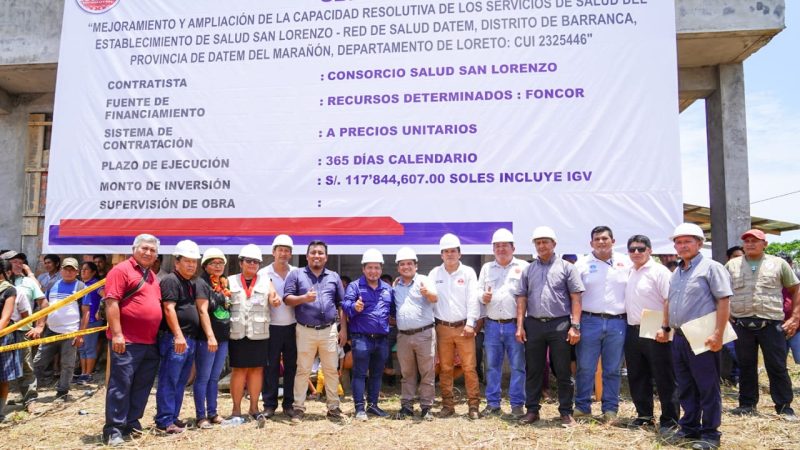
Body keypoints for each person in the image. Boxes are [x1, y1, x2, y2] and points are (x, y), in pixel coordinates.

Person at [664, 223, 732, 450]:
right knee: (685, 385)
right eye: (678, 242)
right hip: (680, 337)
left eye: (687, 241)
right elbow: (670, 303)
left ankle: (710, 433)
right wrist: (666, 329)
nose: (682, 246)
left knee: (707, 386)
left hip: (703, 336)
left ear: (700, 243)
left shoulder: (711, 268)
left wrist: (718, 334)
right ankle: (689, 427)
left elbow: (723, 301)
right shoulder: (677, 272)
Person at [725, 229, 798, 420]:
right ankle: (747, 404)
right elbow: (721, 291)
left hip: (771, 324)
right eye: (747, 241)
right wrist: (725, 315)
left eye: (755, 241)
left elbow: (795, 289)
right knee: (746, 365)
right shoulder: (732, 265)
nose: (750, 244)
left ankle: (784, 406)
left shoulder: (778, 264)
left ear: (765, 244)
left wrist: (795, 317)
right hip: (742, 323)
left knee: (777, 366)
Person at [516, 226, 583, 427]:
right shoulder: (528, 269)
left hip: (560, 324)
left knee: (562, 370)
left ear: (554, 244)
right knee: (534, 369)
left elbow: (576, 298)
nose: (541, 245)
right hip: (534, 324)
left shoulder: (567, 268)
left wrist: (575, 326)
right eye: (538, 242)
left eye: (545, 242)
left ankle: (565, 412)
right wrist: (520, 326)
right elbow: (521, 298)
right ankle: (532, 410)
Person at [102, 234, 163, 446]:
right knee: (121, 384)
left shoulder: (153, 276)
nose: (148, 253)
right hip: (126, 341)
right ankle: (114, 429)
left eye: (152, 250)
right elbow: (111, 302)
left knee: (142, 385)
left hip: (149, 342)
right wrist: (117, 333)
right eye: (144, 248)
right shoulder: (121, 270)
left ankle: (131, 421)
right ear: (134, 249)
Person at [284, 240, 347, 422]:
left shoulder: (333, 276)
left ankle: (334, 407)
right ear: (307, 256)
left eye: (320, 253)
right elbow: (287, 299)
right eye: (313, 253)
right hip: (305, 330)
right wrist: (304, 298)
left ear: (326, 257)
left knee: (331, 370)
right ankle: (298, 408)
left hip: (329, 330)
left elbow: (341, 305)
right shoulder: (296, 275)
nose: (317, 256)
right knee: (303, 370)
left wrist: (343, 330)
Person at [573, 226, 632, 422]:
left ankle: (610, 410)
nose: (601, 242)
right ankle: (582, 408)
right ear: (591, 243)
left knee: (613, 369)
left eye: (605, 238)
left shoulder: (626, 262)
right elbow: (574, 297)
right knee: (585, 367)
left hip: (618, 323)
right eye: (597, 239)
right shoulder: (581, 265)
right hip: (589, 321)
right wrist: (575, 324)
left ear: (613, 241)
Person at [623, 235, 679, 431]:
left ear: (649, 250)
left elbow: (669, 300)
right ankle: (644, 415)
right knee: (637, 375)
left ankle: (670, 419)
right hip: (633, 329)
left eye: (640, 249)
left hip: (656, 328)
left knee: (664, 376)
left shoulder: (659, 271)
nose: (636, 252)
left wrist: (665, 327)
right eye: (632, 249)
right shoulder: (629, 271)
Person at [429, 233, 481, 419]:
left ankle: (473, 406)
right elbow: (428, 298)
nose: (450, 254)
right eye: (446, 251)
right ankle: (447, 406)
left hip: (463, 328)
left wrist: (470, 324)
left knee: (469, 368)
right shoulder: (435, 274)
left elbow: (473, 300)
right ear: (441, 255)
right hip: (442, 328)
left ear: (460, 253)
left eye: (453, 251)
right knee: (445, 368)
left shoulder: (468, 273)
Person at [478, 228, 529, 418]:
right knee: (492, 366)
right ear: (493, 249)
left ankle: (517, 405)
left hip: (515, 324)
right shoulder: (486, 268)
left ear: (513, 247)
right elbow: (477, 292)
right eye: (497, 246)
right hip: (491, 324)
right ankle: (493, 404)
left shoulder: (523, 266)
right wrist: (483, 296)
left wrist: (522, 325)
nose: (501, 249)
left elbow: (528, 295)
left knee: (517, 366)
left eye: (504, 246)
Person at [155, 240, 201, 433]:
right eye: (187, 261)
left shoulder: (187, 283)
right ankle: (165, 420)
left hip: (188, 339)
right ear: (177, 262)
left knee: (180, 381)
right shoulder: (171, 280)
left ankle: (173, 417)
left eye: (194, 261)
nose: (191, 265)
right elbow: (168, 308)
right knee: (169, 379)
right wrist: (179, 336)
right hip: (176, 339)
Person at [343, 249, 394, 421]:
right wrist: (354, 308)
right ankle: (359, 408)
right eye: (370, 267)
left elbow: (393, 311)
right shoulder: (355, 286)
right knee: (359, 373)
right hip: (362, 338)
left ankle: (373, 405)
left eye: (377, 268)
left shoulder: (388, 289)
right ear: (363, 269)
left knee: (377, 373)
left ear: (381, 269)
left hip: (381, 340)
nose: (373, 271)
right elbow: (345, 305)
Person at [227, 244, 275, 421]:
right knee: (238, 371)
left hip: (259, 333)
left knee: (256, 370)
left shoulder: (265, 280)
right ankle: (236, 409)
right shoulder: (229, 281)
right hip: (237, 333)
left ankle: (254, 408)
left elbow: (273, 296)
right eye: (249, 261)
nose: (253, 264)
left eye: (256, 262)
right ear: (241, 263)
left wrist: (275, 300)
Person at [31, 257, 86, 402]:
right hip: (51, 330)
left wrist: (81, 334)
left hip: (71, 332)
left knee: (67, 364)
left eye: (72, 270)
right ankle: (29, 392)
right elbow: (44, 307)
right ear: (61, 270)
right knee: (38, 362)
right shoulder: (52, 284)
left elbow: (85, 312)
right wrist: (40, 325)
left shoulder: (81, 287)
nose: (68, 272)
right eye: (66, 269)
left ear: (77, 272)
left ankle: (62, 392)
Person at [392, 246, 437, 420]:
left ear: (416, 266)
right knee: (407, 373)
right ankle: (407, 406)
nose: (406, 267)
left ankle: (426, 407)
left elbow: (435, 298)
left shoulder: (424, 281)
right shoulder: (395, 286)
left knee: (427, 372)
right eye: (402, 264)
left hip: (424, 334)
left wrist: (427, 293)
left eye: (409, 264)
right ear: (398, 268)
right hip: (403, 336)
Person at [258, 234, 297, 418]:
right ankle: (269, 404)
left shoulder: (296, 272)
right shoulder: (263, 273)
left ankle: (289, 404)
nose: (283, 253)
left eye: (287, 250)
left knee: (291, 367)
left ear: (291, 253)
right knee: (271, 367)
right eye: (280, 250)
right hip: (270, 327)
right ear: (273, 252)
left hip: (293, 327)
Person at [194, 247, 231, 429]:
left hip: (223, 337)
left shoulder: (224, 283)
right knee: (203, 377)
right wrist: (210, 336)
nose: (217, 266)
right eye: (213, 263)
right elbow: (202, 310)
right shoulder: (202, 283)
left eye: (220, 263)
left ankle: (213, 412)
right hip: (207, 338)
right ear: (205, 266)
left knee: (214, 377)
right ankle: (201, 416)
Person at [2, 251, 43, 406]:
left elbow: (43, 304)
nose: (19, 265)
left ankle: (30, 399)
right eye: (15, 262)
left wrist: (39, 326)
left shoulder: (28, 282)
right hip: (3, 331)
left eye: (21, 262)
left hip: (22, 330)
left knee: (26, 365)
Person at [0, 259, 23, 422]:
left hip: (3, 336)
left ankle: (0, 411)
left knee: (2, 377)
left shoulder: (9, 290)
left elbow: (6, 318)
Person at [720, 246, 744, 386]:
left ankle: (738, 377)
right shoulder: (722, 273)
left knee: (741, 351)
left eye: (741, 256)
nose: (739, 260)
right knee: (730, 349)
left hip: (743, 319)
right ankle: (733, 376)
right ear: (728, 259)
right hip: (727, 318)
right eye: (735, 256)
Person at [77, 261, 104, 384]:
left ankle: (88, 374)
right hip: (81, 321)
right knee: (81, 348)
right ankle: (83, 373)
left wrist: (100, 310)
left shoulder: (96, 285)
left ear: (93, 272)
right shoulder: (82, 285)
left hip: (92, 320)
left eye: (86, 269)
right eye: (82, 269)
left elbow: (106, 296)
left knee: (89, 347)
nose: (83, 271)